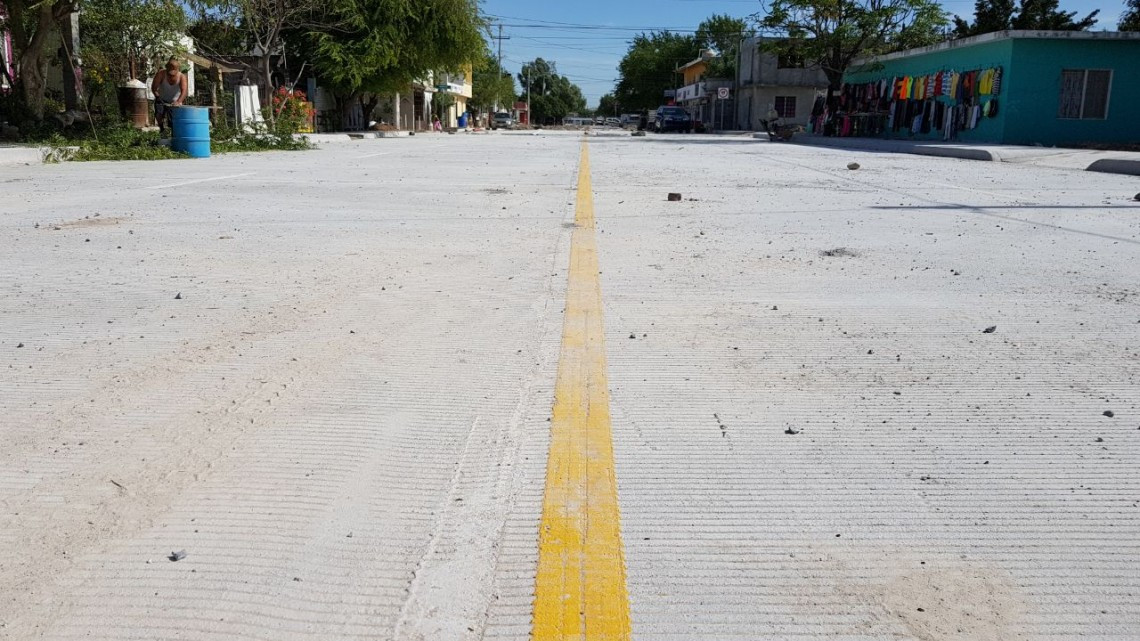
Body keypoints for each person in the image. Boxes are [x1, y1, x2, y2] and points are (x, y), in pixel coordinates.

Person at [151, 58, 187, 136]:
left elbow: (184, 92)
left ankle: (174, 134)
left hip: (175, 100)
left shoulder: (181, 77)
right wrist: (157, 97)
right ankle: (162, 129)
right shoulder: (161, 74)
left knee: (173, 120)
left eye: (173, 73)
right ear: (166, 69)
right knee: (158, 114)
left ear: (178, 70)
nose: (171, 75)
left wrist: (178, 102)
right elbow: (154, 88)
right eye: (169, 72)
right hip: (162, 98)